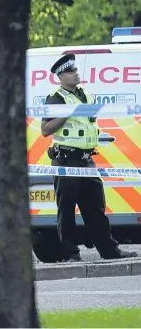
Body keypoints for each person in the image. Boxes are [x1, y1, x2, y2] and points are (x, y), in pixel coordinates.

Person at [41, 54, 138, 262]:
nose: (76, 74)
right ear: (60, 76)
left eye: (76, 70)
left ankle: (109, 250)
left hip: (86, 160)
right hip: (66, 160)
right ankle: (70, 254)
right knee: (66, 210)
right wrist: (65, 113)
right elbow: (45, 130)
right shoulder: (56, 97)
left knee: (96, 208)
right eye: (70, 71)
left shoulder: (85, 94)